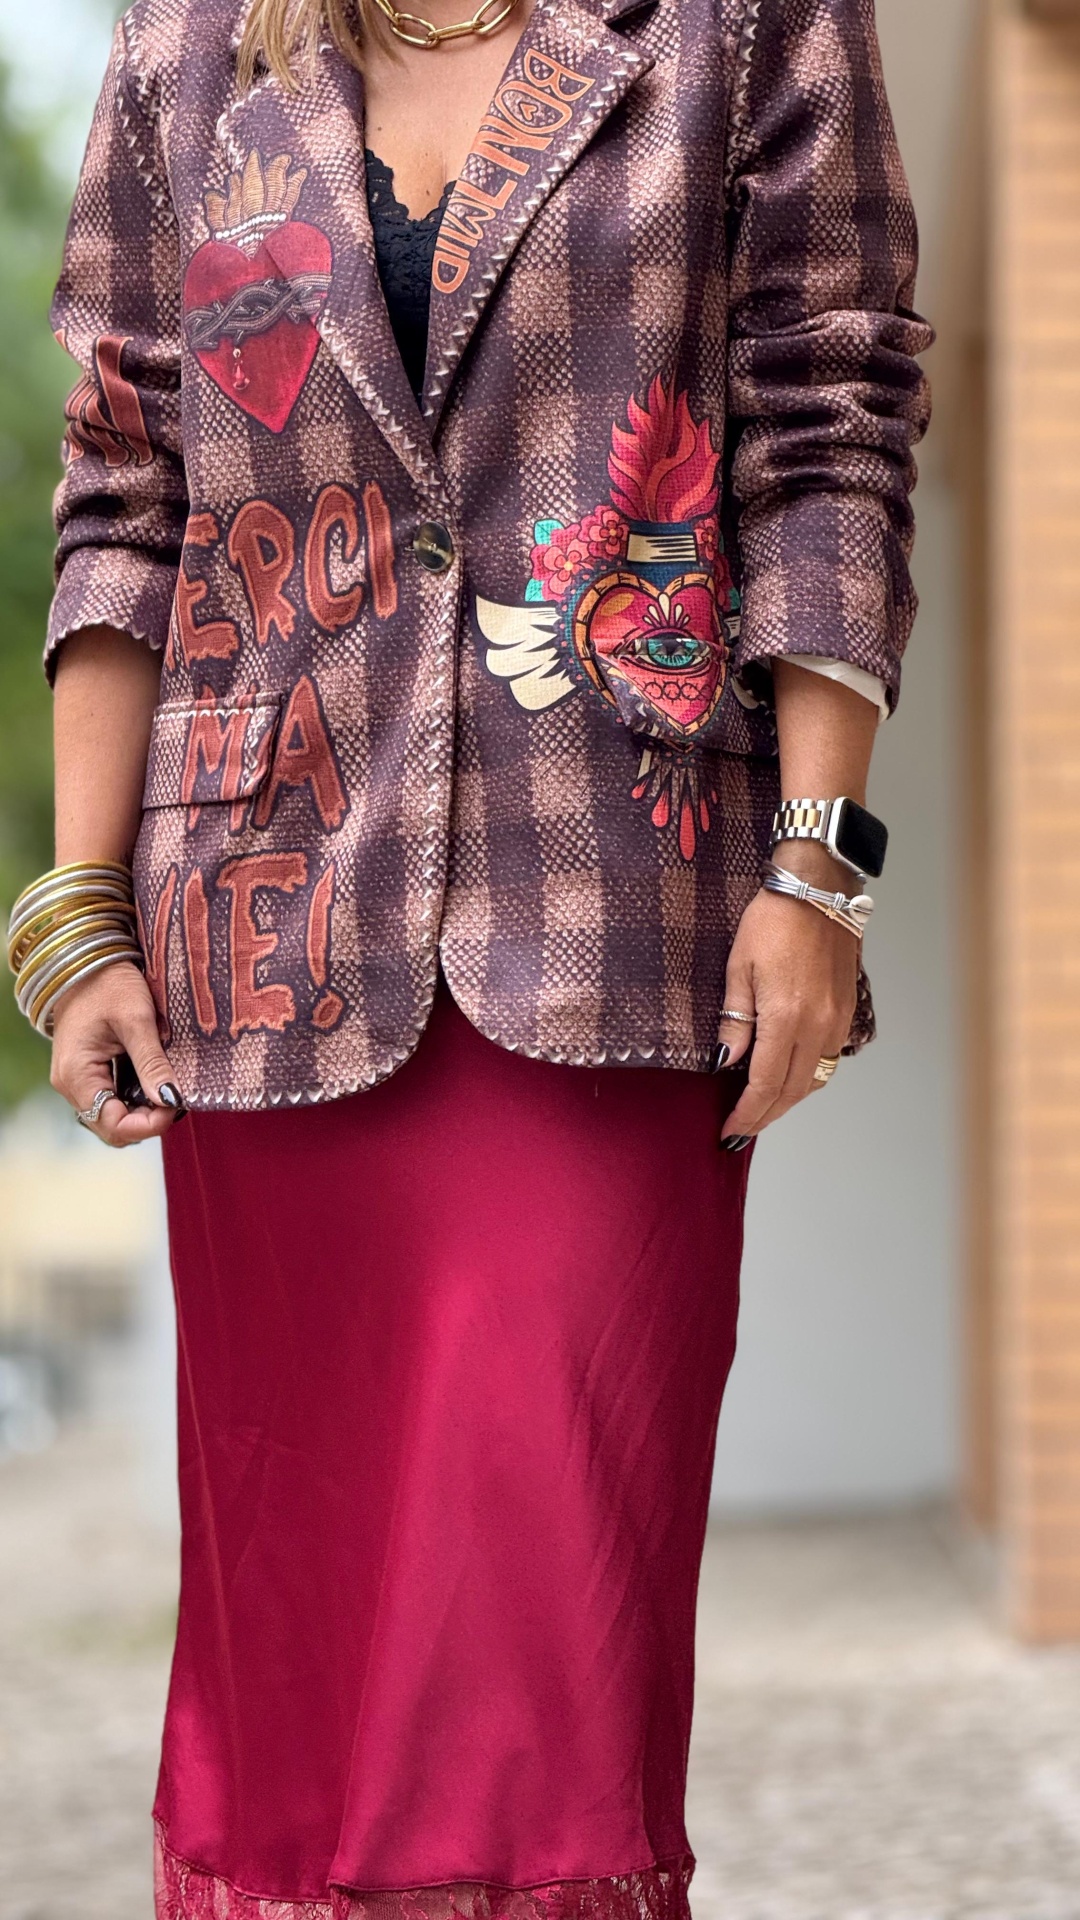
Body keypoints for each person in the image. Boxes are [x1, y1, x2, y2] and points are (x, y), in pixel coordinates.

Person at [8, 0, 931, 1912]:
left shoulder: (740, 27)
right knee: (299, 1646)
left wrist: (820, 867)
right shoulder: (189, 49)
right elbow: (126, 490)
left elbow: (829, 429)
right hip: (265, 939)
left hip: (605, 924)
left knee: (546, 1638)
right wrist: (76, 905)